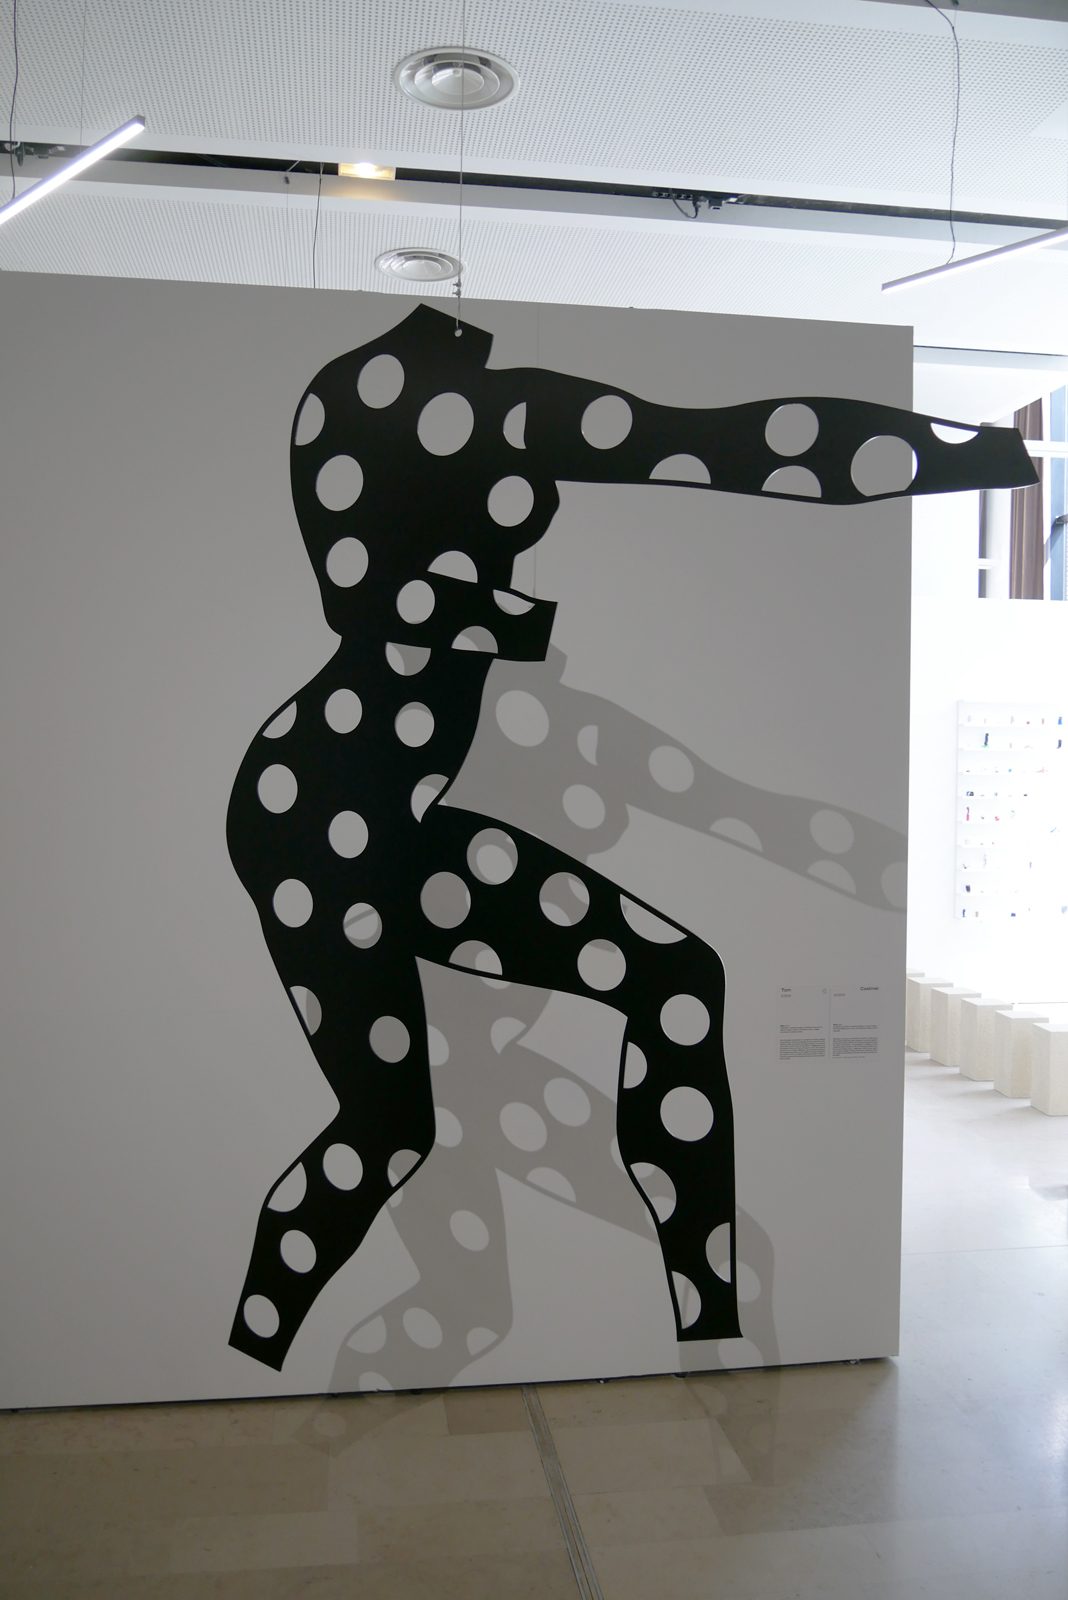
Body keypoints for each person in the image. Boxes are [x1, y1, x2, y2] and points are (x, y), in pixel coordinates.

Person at [226, 302, 1033, 1370]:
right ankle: (252, 1348)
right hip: (322, 813)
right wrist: (989, 456)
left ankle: (710, 1320)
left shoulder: (418, 400)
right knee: (390, 1128)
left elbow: (743, 448)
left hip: (381, 816)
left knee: (672, 977)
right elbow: (370, 597)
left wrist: (988, 457)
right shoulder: (416, 407)